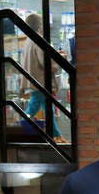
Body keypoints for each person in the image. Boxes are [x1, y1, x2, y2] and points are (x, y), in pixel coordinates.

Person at [20, 13, 66, 143]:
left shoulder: (28, 41)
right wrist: (59, 59)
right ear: (39, 26)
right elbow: (45, 62)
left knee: (47, 108)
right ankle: (20, 127)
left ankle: (56, 135)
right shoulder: (38, 40)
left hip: (34, 80)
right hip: (41, 81)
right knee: (34, 107)